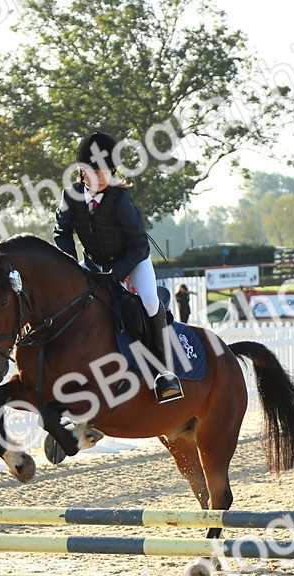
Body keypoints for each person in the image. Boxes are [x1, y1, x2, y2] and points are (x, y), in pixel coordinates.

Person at [53, 131, 182, 403]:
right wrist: (71, 266)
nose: (102, 178)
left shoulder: (120, 200)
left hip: (132, 260)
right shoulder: (70, 197)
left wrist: (117, 275)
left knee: (147, 301)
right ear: (81, 172)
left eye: (107, 172)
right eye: (95, 172)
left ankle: (164, 373)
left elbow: (138, 245)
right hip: (93, 263)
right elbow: (61, 233)